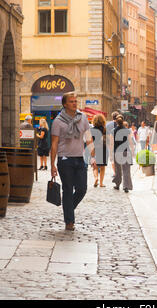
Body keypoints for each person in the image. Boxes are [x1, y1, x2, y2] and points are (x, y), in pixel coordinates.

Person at [51, 92, 97, 231]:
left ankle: (68, 207)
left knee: (82, 189)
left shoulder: (82, 118)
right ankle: (69, 221)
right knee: (67, 189)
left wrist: (93, 157)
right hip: (65, 160)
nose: (74, 103)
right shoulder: (58, 121)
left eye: (76, 101)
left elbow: (88, 138)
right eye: (71, 101)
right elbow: (54, 144)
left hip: (80, 159)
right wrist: (52, 164)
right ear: (65, 104)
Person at [112, 116, 135, 193]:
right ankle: (126, 186)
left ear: (116, 122)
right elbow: (130, 142)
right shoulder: (127, 130)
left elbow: (112, 143)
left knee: (118, 170)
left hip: (117, 152)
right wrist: (133, 151)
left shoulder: (113, 131)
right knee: (126, 170)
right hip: (126, 152)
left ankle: (117, 185)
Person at [91, 114, 108, 188]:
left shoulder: (91, 130)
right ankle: (101, 183)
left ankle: (96, 178)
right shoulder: (105, 130)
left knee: (94, 166)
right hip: (103, 149)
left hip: (94, 149)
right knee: (102, 167)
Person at [106, 111, 121, 176]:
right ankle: (119, 172)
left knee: (112, 159)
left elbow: (106, 135)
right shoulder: (120, 124)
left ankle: (115, 172)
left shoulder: (108, 125)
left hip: (110, 144)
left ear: (112, 117)